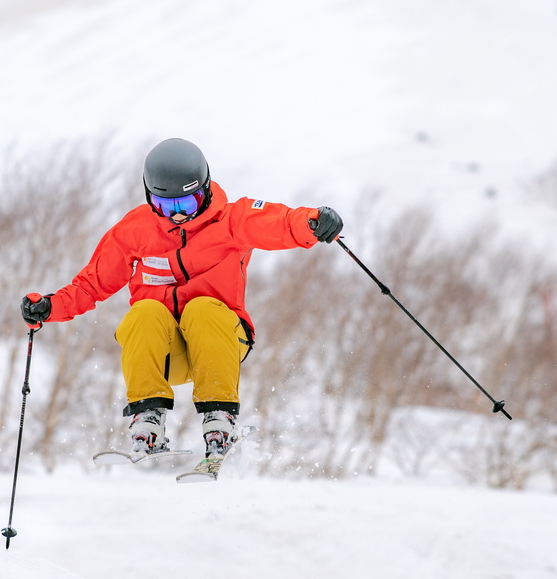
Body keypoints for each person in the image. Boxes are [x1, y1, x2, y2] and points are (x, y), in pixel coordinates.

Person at [21, 138, 342, 478]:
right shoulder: (135, 229)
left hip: (221, 342)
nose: (176, 213)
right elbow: (94, 282)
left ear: (204, 191)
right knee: (144, 312)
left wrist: (312, 221)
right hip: (167, 353)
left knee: (202, 308)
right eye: (164, 204)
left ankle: (220, 422)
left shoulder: (232, 220)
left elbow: (277, 222)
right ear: (149, 198)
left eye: (188, 202)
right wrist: (51, 306)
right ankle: (148, 422)